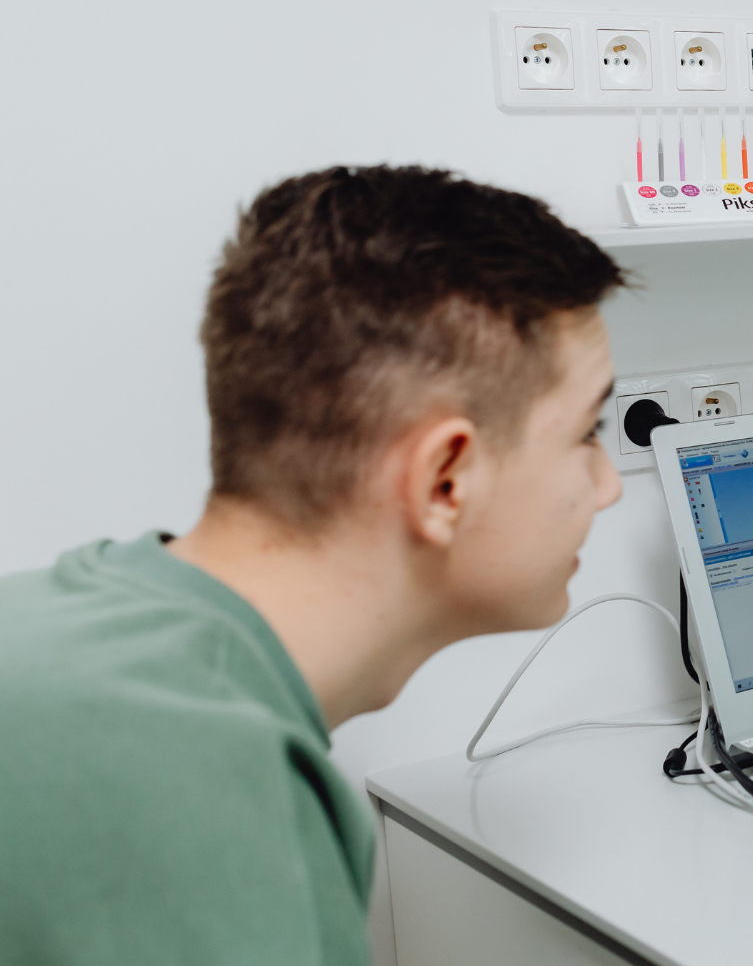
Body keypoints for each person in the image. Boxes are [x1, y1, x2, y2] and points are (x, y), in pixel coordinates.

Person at [0, 166, 627, 964]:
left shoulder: (70, 628)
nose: (608, 486)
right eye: (586, 432)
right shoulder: (201, 791)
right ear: (445, 481)